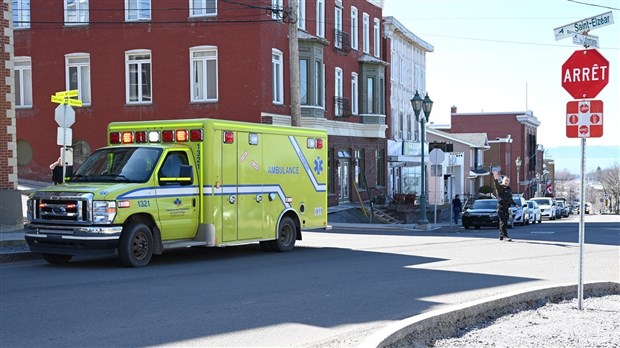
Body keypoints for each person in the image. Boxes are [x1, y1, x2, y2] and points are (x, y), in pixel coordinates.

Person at [491, 170, 517, 241]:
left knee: (502, 222)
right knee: (503, 222)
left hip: (506, 208)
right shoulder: (500, 188)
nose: (506, 182)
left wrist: (515, 204)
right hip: (501, 207)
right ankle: (505, 236)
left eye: (508, 181)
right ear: (503, 181)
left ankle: (501, 236)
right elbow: (496, 185)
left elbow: (510, 198)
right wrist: (495, 178)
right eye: (505, 180)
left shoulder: (508, 189)